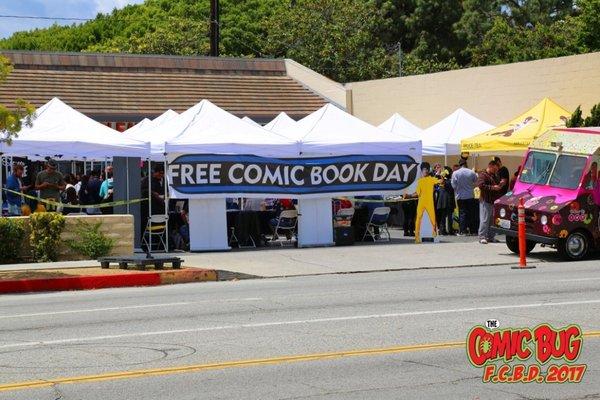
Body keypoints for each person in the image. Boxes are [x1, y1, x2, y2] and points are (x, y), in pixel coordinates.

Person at [476, 160, 502, 244]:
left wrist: (500, 185)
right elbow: (480, 185)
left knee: (492, 220)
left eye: (496, 170)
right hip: (485, 199)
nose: (495, 171)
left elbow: (495, 184)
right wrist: (492, 188)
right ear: (490, 166)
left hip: (493, 200)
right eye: (494, 169)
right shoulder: (483, 174)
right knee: (485, 219)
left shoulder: (494, 175)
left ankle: (490, 237)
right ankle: (482, 236)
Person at [412, 162, 439, 243]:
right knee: (418, 219)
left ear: (428, 170)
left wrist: (441, 179)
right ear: (421, 171)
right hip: (421, 202)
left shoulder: (431, 179)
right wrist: (409, 195)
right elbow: (417, 193)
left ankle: (435, 232)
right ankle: (417, 237)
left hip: (429, 202)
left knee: (433, 218)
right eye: (424, 170)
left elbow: (439, 181)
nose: (425, 171)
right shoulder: (419, 181)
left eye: (427, 169)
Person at [451, 159, 477, 236]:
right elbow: (475, 182)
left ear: (459, 165)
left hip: (460, 196)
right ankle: (473, 230)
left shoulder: (455, 173)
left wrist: (459, 188)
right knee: (471, 213)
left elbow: (453, 185)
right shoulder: (471, 172)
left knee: (462, 213)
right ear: (466, 164)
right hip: (470, 195)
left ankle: (463, 231)